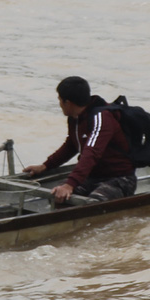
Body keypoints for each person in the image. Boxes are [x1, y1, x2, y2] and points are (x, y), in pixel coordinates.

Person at [21, 75, 138, 205]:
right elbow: (71, 144)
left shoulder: (102, 118)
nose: (59, 104)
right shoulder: (75, 118)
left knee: (94, 202)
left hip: (120, 179)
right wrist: (45, 166)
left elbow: (91, 153)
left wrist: (70, 185)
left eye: (60, 100)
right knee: (58, 195)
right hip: (92, 176)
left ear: (68, 103)